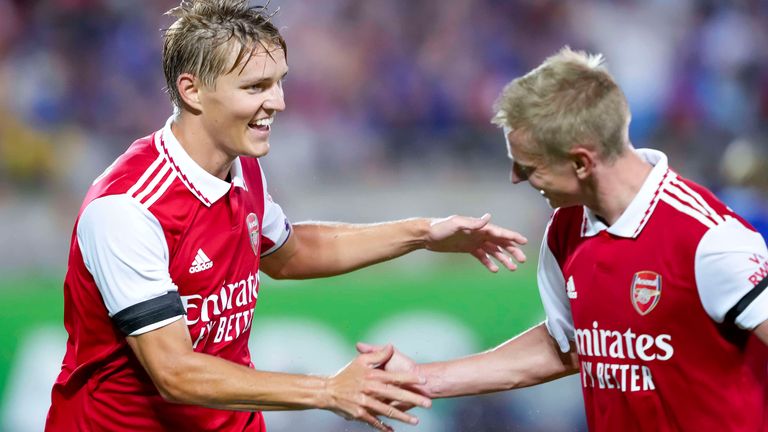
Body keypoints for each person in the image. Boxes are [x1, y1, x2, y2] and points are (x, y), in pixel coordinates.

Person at [43, 2, 528, 431]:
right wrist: (327, 391)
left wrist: (423, 234)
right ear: (192, 91)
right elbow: (175, 373)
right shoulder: (127, 208)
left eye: (279, 83)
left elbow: (290, 252)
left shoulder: (242, 165)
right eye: (256, 86)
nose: (277, 103)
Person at [359, 47, 768, 431]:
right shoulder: (565, 230)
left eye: (528, 166)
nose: (515, 178)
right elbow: (570, 345)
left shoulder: (708, 239)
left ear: (581, 162)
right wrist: (423, 380)